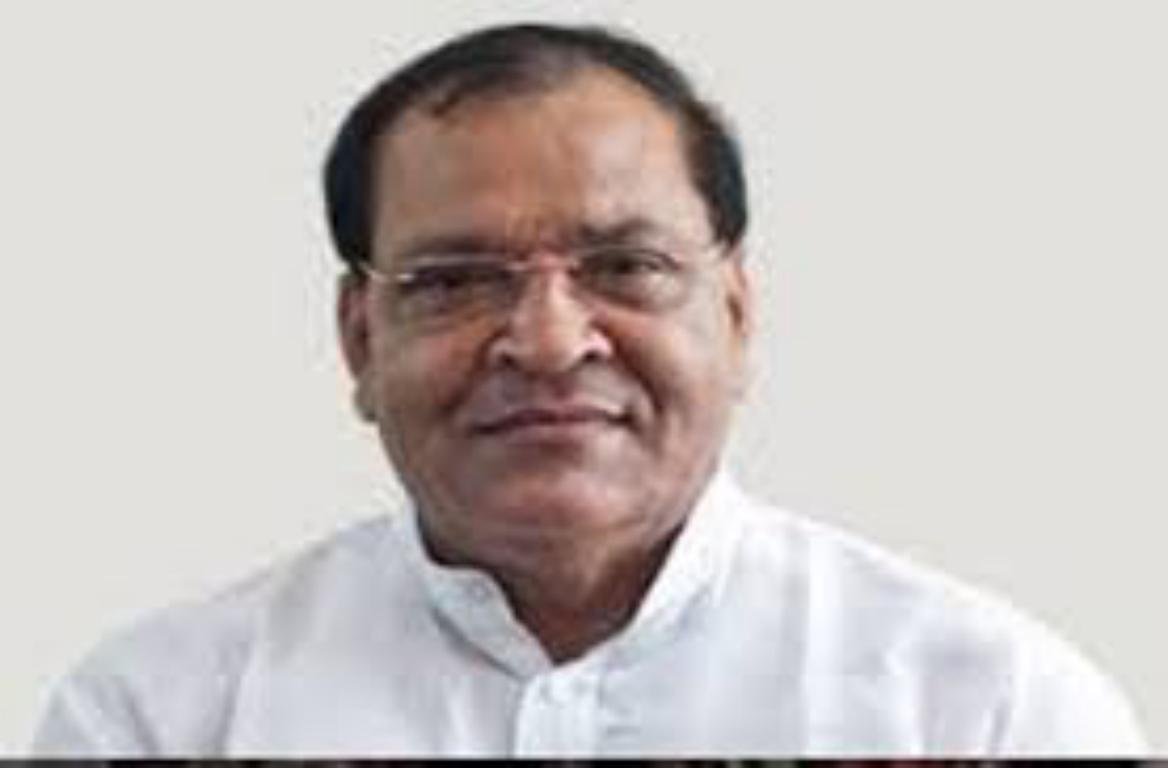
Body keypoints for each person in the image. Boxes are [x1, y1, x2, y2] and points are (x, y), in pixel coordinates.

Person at [34, 23, 1144, 757]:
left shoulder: (983, 712)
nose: (550, 341)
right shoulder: (161, 719)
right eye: (455, 280)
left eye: (625, 267)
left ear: (737, 314)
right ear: (358, 337)